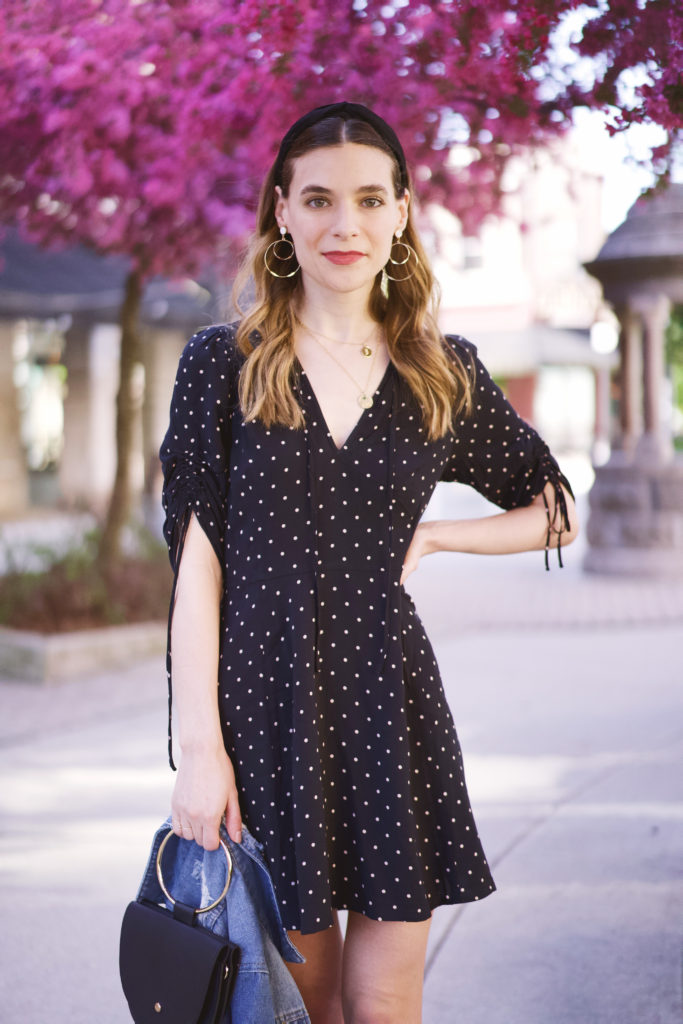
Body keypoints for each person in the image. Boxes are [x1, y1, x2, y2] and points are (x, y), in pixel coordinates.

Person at [159, 101, 578, 1024]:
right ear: (281, 211)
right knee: (300, 1002)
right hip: (264, 719)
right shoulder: (222, 365)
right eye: (317, 200)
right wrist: (198, 750)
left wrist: (435, 537)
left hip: (390, 706)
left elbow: (553, 512)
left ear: (399, 214)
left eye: (366, 199)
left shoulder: (441, 372)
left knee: (384, 1003)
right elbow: (196, 570)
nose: (342, 224)